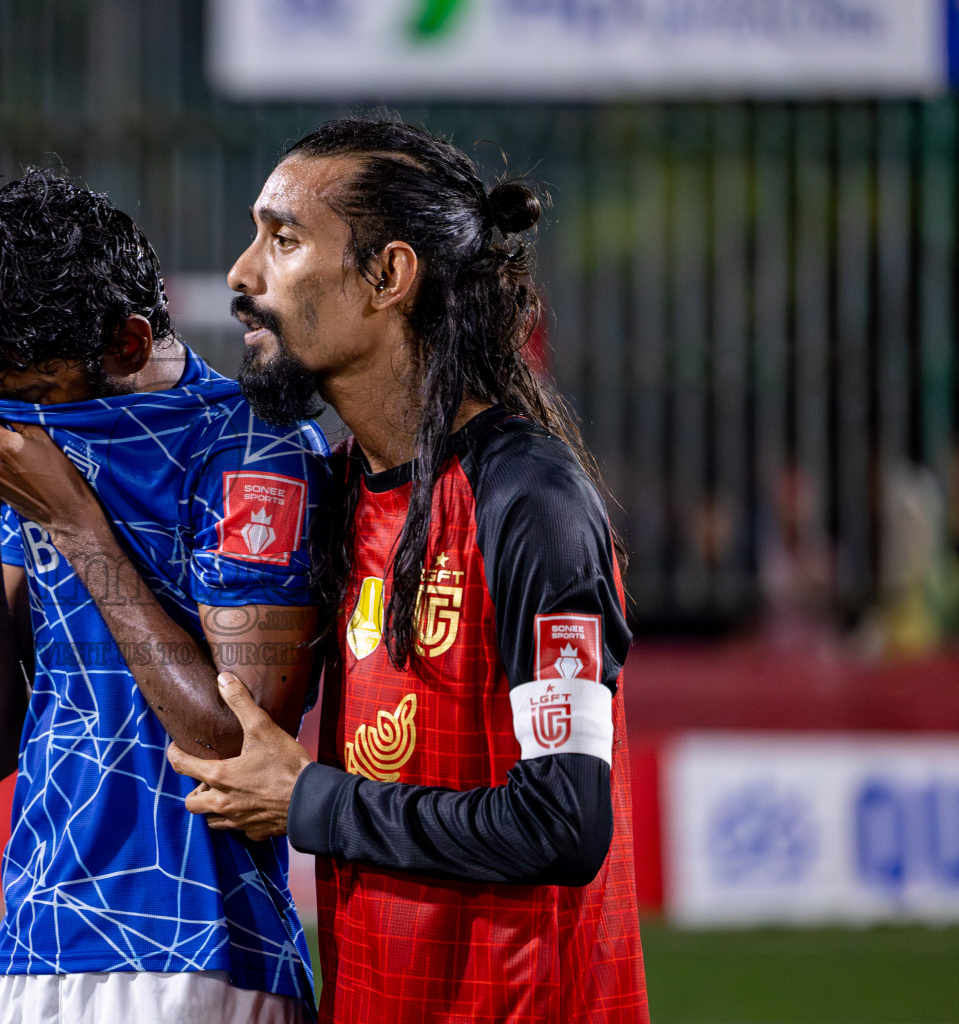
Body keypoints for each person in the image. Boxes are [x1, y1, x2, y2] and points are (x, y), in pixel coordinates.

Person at [167, 116, 650, 1022]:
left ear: (387, 277)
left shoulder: (529, 500)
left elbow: (564, 824)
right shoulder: (341, 492)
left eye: (283, 239)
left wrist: (309, 799)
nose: (241, 275)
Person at [0, 168, 326, 1023]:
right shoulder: (38, 437)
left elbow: (234, 745)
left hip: (198, 954)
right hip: (31, 944)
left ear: (129, 343)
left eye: (31, 392)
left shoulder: (254, 449)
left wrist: (76, 526)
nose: (2, 423)